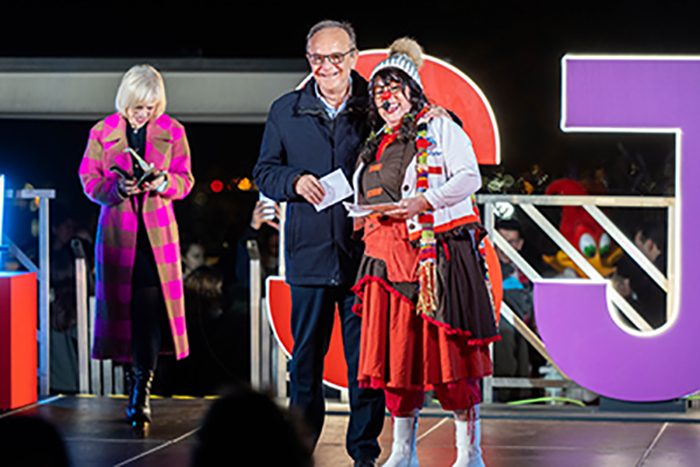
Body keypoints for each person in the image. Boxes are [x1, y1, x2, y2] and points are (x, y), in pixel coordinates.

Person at [350, 38, 499, 467]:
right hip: (385, 259)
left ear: (413, 91)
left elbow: (470, 178)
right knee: (400, 357)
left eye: (395, 89)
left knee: (449, 357)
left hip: (435, 256)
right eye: (379, 91)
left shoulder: (439, 127)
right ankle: (402, 451)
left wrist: (425, 200)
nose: (386, 98)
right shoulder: (376, 140)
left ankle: (469, 453)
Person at [253, 20, 385, 466]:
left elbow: (415, 142)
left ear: (352, 57)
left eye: (334, 57)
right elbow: (265, 172)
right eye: (316, 58)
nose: (325, 67)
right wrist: (295, 181)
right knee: (303, 367)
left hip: (364, 257)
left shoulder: (375, 107)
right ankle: (299, 452)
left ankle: (364, 454)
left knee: (365, 368)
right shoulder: (285, 110)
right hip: (307, 256)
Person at [78, 64, 194, 428]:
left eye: (149, 108)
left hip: (156, 236)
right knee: (123, 313)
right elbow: (88, 180)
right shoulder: (102, 131)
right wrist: (116, 189)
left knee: (147, 312)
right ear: (125, 102)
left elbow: (186, 181)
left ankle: (141, 389)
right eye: (136, 108)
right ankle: (134, 383)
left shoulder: (173, 131)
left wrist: (162, 182)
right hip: (118, 233)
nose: (142, 115)